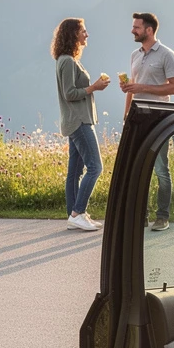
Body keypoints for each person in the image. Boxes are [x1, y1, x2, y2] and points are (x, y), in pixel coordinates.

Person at [121, 12, 174, 231]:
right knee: (138, 169)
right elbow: (133, 86)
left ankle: (162, 217)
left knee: (160, 169)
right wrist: (127, 114)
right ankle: (141, 216)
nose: (132, 30)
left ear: (149, 30)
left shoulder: (167, 54)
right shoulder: (135, 55)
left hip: (159, 118)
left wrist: (141, 88)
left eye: (136, 27)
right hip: (137, 118)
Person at [52, 17, 109, 232]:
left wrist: (94, 87)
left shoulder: (68, 60)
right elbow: (69, 94)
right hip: (79, 121)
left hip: (76, 119)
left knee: (74, 172)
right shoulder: (67, 61)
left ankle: (74, 216)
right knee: (95, 167)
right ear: (73, 34)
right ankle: (77, 213)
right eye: (83, 31)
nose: (87, 34)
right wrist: (93, 87)